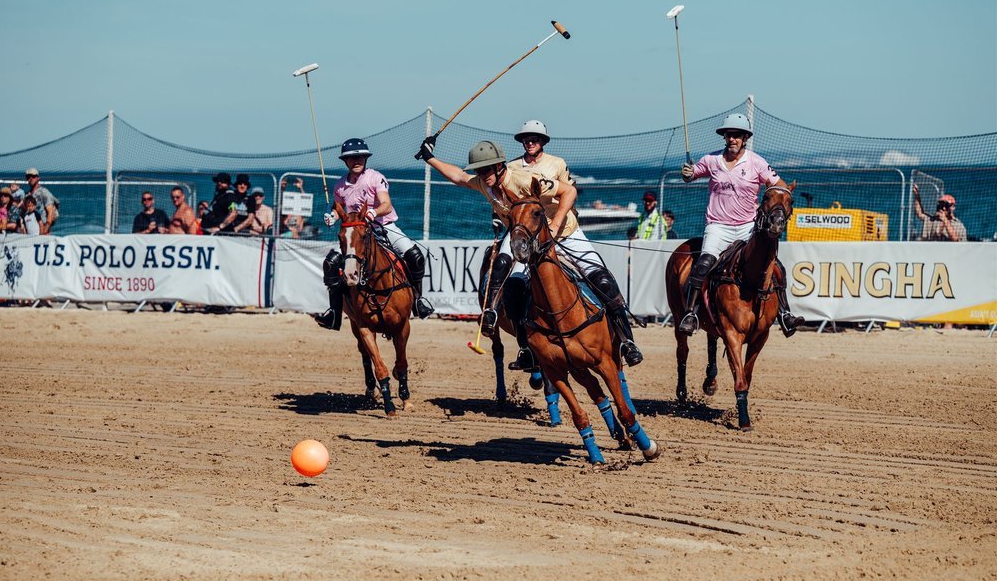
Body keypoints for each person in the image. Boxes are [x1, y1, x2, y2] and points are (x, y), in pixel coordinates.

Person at [418, 135, 644, 370]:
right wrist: (429, 158)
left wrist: (556, 224)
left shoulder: (525, 179)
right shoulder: (485, 183)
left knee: (602, 279)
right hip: (525, 236)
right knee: (511, 283)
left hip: (565, 232)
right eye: (479, 170)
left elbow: (569, 192)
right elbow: (459, 177)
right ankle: (518, 341)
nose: (482, 174)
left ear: (499, 165)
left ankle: (627, 342)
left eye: (486, 169)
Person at [678, 113, 805, 338]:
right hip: (718, 226)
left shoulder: (757, 162)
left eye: (737, 135)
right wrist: (687, 173)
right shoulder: (711, 160)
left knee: (776, 267)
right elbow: (692, 174)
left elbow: (779, 186)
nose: (732, 139)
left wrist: (780, 205)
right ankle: (691, 313)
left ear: (745, 138)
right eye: (729, 135)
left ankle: (784, 313)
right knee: (703, 265)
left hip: (748, 227)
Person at [317, 138, 434, 328]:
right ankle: (334, 313)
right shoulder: (340, 185)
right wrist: (332, 217)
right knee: (330, 264)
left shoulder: (375, 177)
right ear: (345, 161)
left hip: (384, 227)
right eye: (352, 158)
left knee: (416, 256)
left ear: (366, 159)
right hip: (356, 233)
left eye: (360, 157)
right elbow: (338, 208)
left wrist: (374, 212)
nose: (357, 161)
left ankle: (418, 301)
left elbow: (386, 204)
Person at [24, 168, 59, 234]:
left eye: (33, 176)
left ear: (38, 178)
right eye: (28, 177)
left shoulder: (44, 192)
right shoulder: (27, 195)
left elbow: (50, 211)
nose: (30, 178)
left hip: (42, 228)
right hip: (31, 229)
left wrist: (46, 228)